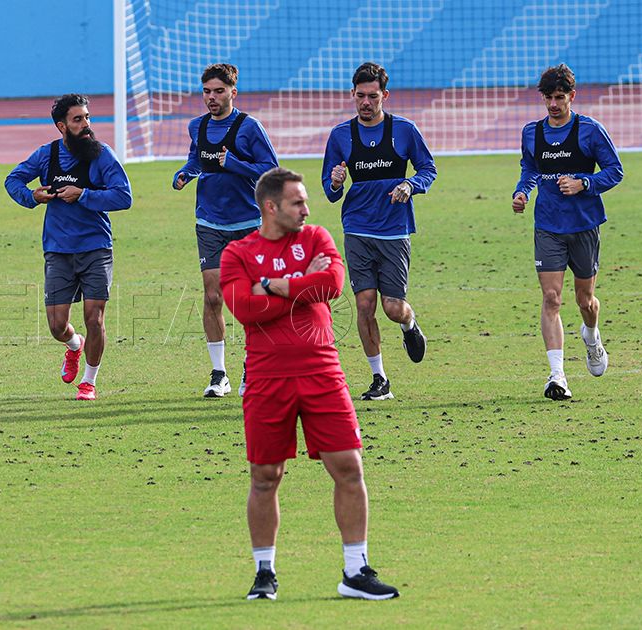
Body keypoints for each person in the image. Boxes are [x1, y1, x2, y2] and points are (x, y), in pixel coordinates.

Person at [222, 167, 399, 601]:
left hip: (323, 372)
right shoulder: (236, 253)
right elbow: (244, 309)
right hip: (267, 378)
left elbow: (333, 285)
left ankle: (355, 572)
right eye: (297, 202)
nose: (307, 209)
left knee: (349, 468)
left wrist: (274, 286)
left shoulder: (317, 237)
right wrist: (299, 287)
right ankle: (265, 572)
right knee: (266, 475)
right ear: (271, 207)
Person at [5, 94, 133, 400]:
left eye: (88, 117)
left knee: (94, 317)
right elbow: (13, 180)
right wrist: (32, 197)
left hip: (95, 248)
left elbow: (123, 196)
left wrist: (84, 195)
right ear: (62, 126)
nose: (86, 124)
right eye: (78, 119)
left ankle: (89, 382)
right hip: (58, 249)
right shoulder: (46, 155)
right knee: (56, 325)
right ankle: (74, 346)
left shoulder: (102, 155)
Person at [322, 62, 437, 402]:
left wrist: (410, 184)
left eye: (373, 96)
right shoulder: (341, 136)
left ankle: (409, 324)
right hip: (357, 228)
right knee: (364, 304)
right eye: (360, 96)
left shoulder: (404, 131)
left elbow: (428, 169)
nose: (366, 103)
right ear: (352, 95)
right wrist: (335, 182)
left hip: (394, 230)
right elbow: (330, 193)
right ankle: (379, 378)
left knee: (391, 306)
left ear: (385, 95)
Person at [512, 64, 623, 400]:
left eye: (559, 97)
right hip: (547, 225)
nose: (553, 104)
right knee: (551, 298)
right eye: (548, 98)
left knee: (585, 300)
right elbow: (530, 168)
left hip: (584, 225)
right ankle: (557, 376)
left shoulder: (590, 130)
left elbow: (615, 171)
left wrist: (584, 183)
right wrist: (522, 191)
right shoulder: (532, 133)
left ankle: (591, 336)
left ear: (572, 96)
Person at [173, 63, 279, 398]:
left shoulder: (249, 128)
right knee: (213, 294)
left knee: (248, 299)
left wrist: (233, 163)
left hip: (248, 224)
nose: (212, 98)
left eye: (219, 91)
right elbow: (197, 160)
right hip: (209, 223)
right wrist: (186, 173)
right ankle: (219, 373)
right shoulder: (197, 127)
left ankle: (253, 365)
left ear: (234, 91)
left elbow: (270, 170)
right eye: (206, 91)